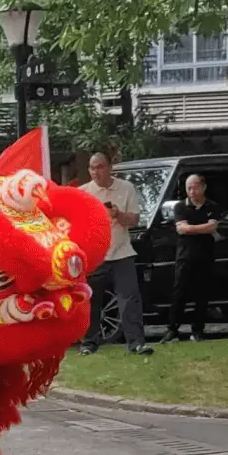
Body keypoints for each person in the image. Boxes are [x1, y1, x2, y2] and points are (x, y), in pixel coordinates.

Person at [79, 152, 153, 356]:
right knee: (91, 301)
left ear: (110, 167)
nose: (96, 172)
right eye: (92, 168)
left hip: (122, 253)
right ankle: (88, 344)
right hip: (96, 255)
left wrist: (118, 214)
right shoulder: (83, 192)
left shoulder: (126, 188)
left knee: (129, 299)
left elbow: (135, 220)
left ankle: (136, 343)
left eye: (100, 167)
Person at [161, 174, 223, 344]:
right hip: (185, 256)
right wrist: (202, 228)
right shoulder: (180, 207)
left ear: (203, 187)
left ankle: (198, 330)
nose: (192, 191)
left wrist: (192, 228)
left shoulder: (213, 206)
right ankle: (172, 330)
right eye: (189, 188)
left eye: (195, 187)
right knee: (179, 293)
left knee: (202, 295)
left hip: (205, 255)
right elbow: (182, 229)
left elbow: (212, 226)